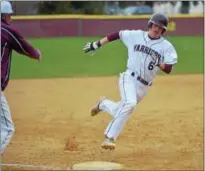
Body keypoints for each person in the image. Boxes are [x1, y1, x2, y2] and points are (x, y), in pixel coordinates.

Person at [83, 13, 178, 150]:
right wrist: (97, 44)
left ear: (163, 30)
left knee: (121, 109)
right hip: (129, 78)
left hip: (144, 86)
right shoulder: (136, 35)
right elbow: (117, 35)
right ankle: (109, 137)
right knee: (130, 104)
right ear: (150, 24)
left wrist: (160, 63)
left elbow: (169, 69)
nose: (156, 29)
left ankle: (103, 104)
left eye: (159, 27)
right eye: (154, 25)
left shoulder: (166, 47)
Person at [1, 0, 41, 154]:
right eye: (9, 14)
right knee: (7, 128)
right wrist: (36, 54)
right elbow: (23, 46)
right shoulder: (7, 30)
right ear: (4, 15)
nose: (11, 17)